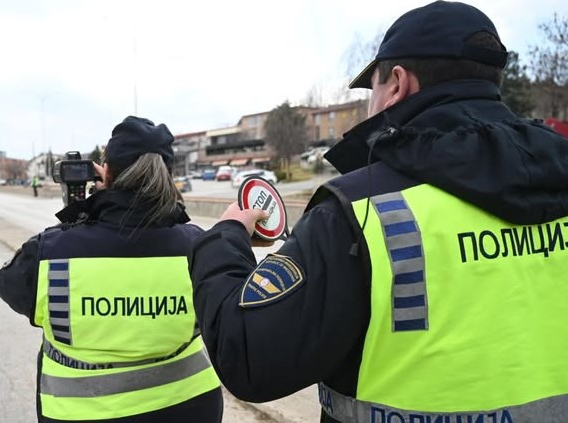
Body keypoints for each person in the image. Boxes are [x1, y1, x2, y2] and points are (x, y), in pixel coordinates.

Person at [188, 2, 568, 423]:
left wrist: (224, 240)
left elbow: (247, 356)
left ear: (398, 84)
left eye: (373, 88)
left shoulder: (361, 210)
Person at [0, 116, 223, 423]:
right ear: (168, 175)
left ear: (107, 172)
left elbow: (6, 285)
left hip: (83, 415)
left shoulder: (52, 252)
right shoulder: (201, 246)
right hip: (192, 407)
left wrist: (81, 217)